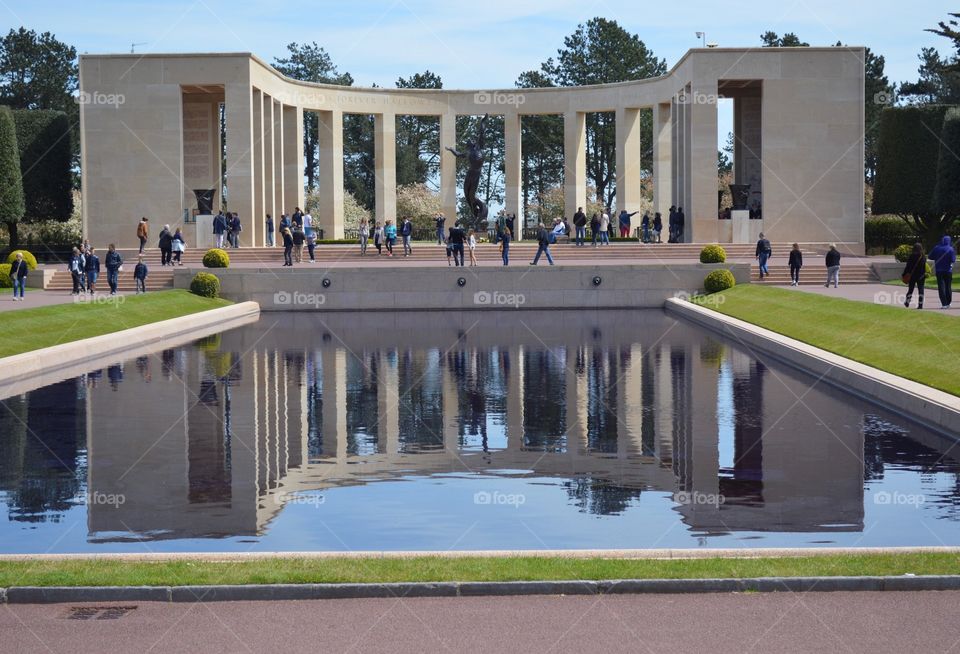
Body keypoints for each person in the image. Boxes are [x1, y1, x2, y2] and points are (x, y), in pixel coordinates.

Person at [927, 235, 956, 309]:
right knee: (948, 286)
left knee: (941, 287)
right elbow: (953, 260)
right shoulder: (950, 249)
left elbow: (930, 256)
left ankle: (944, 304)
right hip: (948, 270)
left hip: (939, 270)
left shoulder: (936, 248)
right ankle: (948, 302)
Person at [902, 242, 927, 309]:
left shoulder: (911, 256)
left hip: (912, 275)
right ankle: (920, 305)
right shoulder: (923, 256)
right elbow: (924, 267)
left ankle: (907, 302)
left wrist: (904, 274)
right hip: (921, 276)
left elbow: (908, 267)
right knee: (921, 291)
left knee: (910, 290)